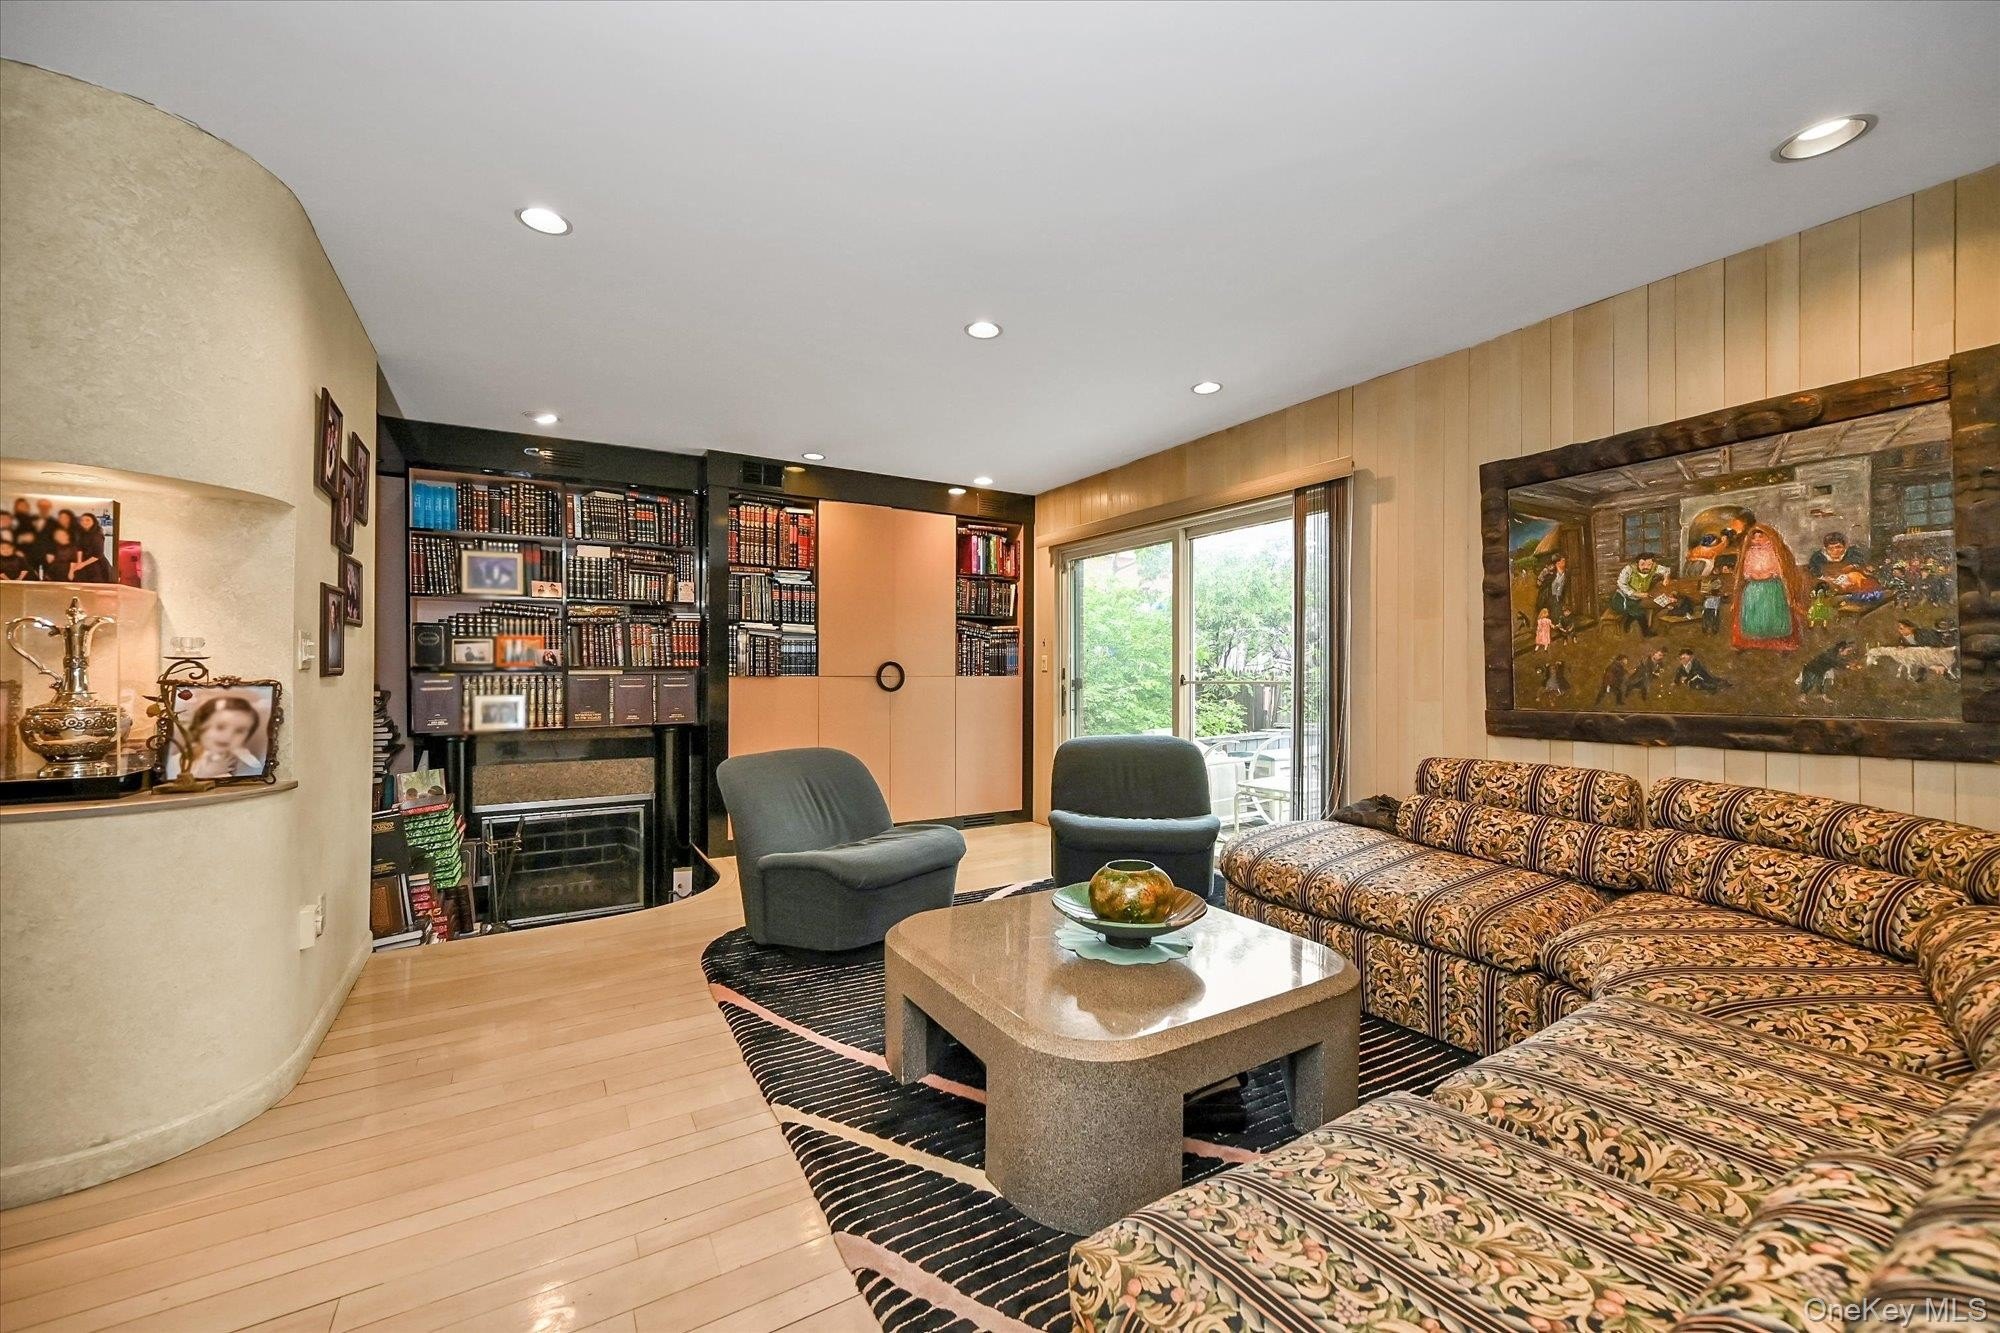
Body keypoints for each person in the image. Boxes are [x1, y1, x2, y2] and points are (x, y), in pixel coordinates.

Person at [1730, 522, 1806, 652]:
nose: (1757, 540)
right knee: (1755, 614)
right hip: (1753, 587)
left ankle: (1777, 641)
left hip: (1772, 587)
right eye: (1754, 537)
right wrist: (1752, 576)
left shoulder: (1775, 551)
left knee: (1772, 614)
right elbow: (1745, 570)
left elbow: (1781, 569)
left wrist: (1770, 575)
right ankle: (1755, 640)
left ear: (1769, 537)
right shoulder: (1749, 552)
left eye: (1761, 536)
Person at [180, 695, 266, 780]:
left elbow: (256, 772)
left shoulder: (243, 758)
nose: (228, 736)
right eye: (220, 727)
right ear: (201, 727)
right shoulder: (187, 756)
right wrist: (208, 773)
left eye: (239, 731)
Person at [1612, 554, 1667, 636]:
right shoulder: (1629, 569)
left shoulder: (1654, 568)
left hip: (1637, 599)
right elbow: (1621, 584)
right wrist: (1636, 594)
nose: (1646, 567)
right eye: (1642, 564)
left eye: (1649, 564)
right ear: (1637, 563)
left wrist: (1666, 578)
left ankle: (1628, 621)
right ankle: (1646, 633)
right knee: (1640, 614)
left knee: (1644, 607)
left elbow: (1666, 570)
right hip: (1623, 598)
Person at [1536, 555, 1571, 627]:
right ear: (1557, 563)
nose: (1565, 562)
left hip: (1560, 597)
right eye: (1562, 561)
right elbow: (1541, 584)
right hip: (1551, 597)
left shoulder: (1566, 573)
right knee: (1553, 613)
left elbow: (1566, 586)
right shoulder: (1550, 574)